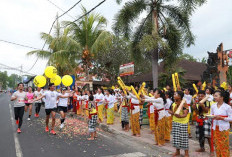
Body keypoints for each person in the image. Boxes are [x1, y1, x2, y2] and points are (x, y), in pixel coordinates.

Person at [211, 90, 232, 157]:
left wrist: (221, 118)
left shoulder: (227, 107)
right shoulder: (213, 106)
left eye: (216, 96)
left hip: (224, 129)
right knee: (217, 145)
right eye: (214, 96)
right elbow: (211, 115)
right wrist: (210, 117)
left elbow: (231, 118)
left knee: (224, 146)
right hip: (215, 128)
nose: (214, 97)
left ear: (221, 97)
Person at [169, 91, 189, 157]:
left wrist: (180, 116)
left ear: (180, 96)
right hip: (175, 122)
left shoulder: (184, 104)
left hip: (182, 123)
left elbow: (185, 114)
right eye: (174, 94)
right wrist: (172, 113)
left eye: (175, 94)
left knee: (184, 138)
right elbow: (169, 110)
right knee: (176, 138)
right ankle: (177, 151)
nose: (174, 95)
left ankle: (186, 153)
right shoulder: (173, 103)